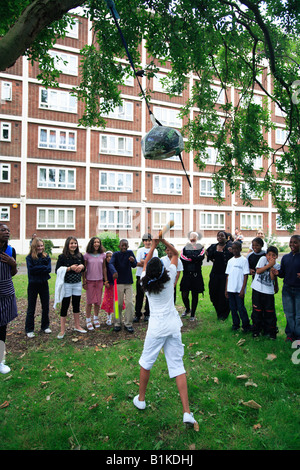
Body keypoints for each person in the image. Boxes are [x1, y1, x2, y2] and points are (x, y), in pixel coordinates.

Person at [133, 237, 198, 428]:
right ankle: (186, 411)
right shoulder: (169, 276)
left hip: (156, 328)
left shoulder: (145, 282)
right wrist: (162, 241)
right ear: (161, 270)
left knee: (146, 363)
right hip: (172, 325)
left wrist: (152, 246)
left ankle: (142, 399)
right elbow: (176, 254)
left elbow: (146, 262)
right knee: (177, 366)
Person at [55, 236, 86, 339]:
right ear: (67, 244)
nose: (73, 245)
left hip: (77, 284)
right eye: (71, 243)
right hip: (66, 284)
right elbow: (57, 270)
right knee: (65, 306)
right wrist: (69, 268)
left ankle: (77, 326)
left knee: (76, 305)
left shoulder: (79, 255)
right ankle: (62, 330)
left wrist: (82, 267)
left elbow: (84, 267)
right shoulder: (62, 257)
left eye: (75, 243)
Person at [273, 235, 300, 343]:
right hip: (287, 289)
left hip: (299, 290)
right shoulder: (285, 258)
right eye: (291, 242)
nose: (292, 245)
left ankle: (298, 337)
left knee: (298, 316)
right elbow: (283, 274)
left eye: (295, 242)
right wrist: (277, 273)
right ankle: (290, 335)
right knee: (289, 313)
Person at [251, 246, 280, 339]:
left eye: (273, 255)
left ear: (276, 256)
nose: (270, 257)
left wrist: (272, 266)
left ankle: (270, 332)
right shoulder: (262, 259)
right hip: (257, 290)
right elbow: (258, 271)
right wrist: (268, 265)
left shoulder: (277, 265)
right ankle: (256, 331)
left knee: (269, 312)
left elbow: (272, 278)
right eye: (269, 255)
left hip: (268, 292)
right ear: (266, 255)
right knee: (257, 311)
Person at [25, 237, 52, 338]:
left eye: (42, 245)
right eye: (38, 246)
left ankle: (45, 326)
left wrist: (39, 268)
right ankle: (29, 329)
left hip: (44, 284)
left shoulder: (46, 257)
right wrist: (42, 268)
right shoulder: (29, 258)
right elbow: (31, 270)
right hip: (33, 285)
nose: (40, 248)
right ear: (34, 247)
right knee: (31, 308)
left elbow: (48, 269)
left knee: (45, 306)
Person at [0, 223, 18, 374]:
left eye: (8, 230)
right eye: (3, 230)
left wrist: (13, 264)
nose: (6, 232)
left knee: (2, 327)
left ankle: (1, 361)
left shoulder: (11, 250)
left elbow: (13, 273)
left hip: (6, 292)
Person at [109, 239, 137, 333]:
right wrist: (114, 271)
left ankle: (128, 324)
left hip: (128, 282)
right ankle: (117, 323)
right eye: (122, 245)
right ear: (119, 246)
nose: (124, 247)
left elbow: (135, 265)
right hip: (119, 282)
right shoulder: (116, 254)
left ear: (128, 246)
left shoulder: (130, 253)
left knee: (129, 303)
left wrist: (133, 261)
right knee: (118, 303)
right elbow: (111, 264)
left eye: (126, 245)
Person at [206, 231, 234, 320]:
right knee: (213, 293)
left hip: (225, 275)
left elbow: (235, 255)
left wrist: (232, 251)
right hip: (214, 274)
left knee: (223, 295)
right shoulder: (214, 246)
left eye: (222, 236)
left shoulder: (230, 246)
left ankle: (224, 314)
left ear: (226, 237)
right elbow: (207, 252)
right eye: (218, 236)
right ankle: (218, 311)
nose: (220, 237)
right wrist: (212, 259)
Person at [225, 241, 251, 332]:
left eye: (237, 248)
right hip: (231, 289)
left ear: (240, 249)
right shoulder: (230, 261)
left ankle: (246, 325)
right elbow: (228, 276)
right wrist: (226, 290)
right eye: (233, 248)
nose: (235, 250)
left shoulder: (244, 260)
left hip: (239, 289)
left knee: (241, 308)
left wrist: (242, 289)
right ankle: (235, 324)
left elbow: (245, 275)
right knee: (233, 308)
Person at [83, 237, 107, 330]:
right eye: (94, 242)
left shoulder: (103, 255)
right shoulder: (87, 255)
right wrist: (84, 281)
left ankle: (96, 318)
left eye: (98, 242)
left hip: (100, 281)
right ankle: (88, 320)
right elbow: (84, 270)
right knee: (89, 301)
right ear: (91, 244)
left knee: (97, 301)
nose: (96, 244)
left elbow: (104, 268)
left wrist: (106, 280)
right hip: (90, 281)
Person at [180, 232, 205, 321]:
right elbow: (182, 258)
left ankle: (193, 314)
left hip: (196, 275)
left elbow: (201, 257)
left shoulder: (201, 248)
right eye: (191, 237)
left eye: (194, 237)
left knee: (195, 295)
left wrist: (191, 258)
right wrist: (194, 259)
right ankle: (187, 309)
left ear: (197, 238)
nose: (193, 238)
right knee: (184, 294)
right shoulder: (184, 248)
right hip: (186, 275)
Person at [134, 234, 158, 323]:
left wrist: (143, 261)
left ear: (151, 241)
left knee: (149, 296)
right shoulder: (140, 250)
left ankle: (147, 314)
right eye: (146, 240)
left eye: (149, 240)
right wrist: (148, 262)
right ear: (143, 242)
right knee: (139, 296)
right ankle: (137, 314)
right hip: (140, 275)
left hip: (150, 276)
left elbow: (154, 263)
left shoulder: (154, 251)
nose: (148, 242)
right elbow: (137, 263)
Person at [101, 251, 126, 326]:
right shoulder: (104, 266)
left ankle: (117, 317)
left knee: (116, 301)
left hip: (116, 285)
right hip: (109, 286)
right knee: (108, 301)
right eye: (107, 257)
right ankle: (109, 317)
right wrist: (105, 282)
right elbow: (103, 275)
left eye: (110, 256)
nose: (109, 258)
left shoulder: (115, 265)